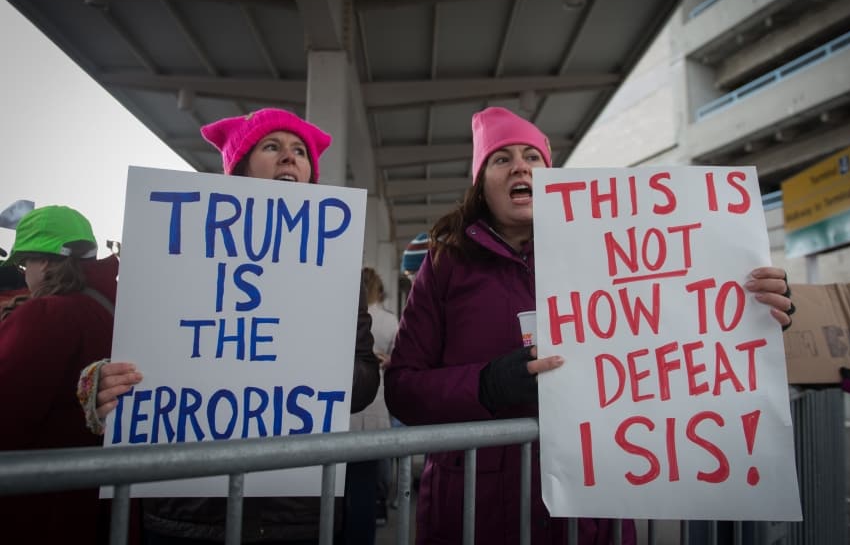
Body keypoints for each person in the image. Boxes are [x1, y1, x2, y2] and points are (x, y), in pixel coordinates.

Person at [384, 106, 797, 545]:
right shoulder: (446, 264)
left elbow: (680, 332)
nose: (520, 165)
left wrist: (750, 312)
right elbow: (404, 389)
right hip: (475, 511)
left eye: (533, 156)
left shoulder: (608, 249)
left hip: (594, 514)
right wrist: (487, 385)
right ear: (480, 185)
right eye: (501, 159)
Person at [82, 108, 380, 544]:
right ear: (238, 167)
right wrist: (100, 385)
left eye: (300, 151)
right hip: (186, 510)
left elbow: (365, 382)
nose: (289, 158)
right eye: (271, 147)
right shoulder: (172, 255)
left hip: (292, 512)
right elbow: (140, 352)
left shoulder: (338, 271)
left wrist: (311, 361)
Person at [0, 205, 119, 545]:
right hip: (95, 507)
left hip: (37, 509)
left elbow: (6, 410)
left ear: (47, 261)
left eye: (26, 263)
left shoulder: (47, 314)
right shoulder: (112, 312)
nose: (25, 274)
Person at [343, 267, 400, 542]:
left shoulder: (338, 310)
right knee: (366, 483)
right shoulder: (390, 321)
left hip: (341, 415)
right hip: (374, 408)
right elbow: (399, 357)